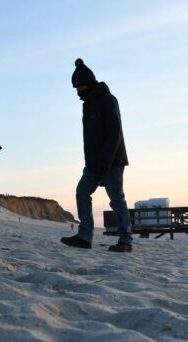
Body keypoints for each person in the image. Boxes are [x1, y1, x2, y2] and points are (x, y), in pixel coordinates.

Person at [61, 58, 133, 252]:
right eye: (75, 88)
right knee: (82, 192)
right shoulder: (87, 104)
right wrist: (92, 162)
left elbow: (115, 133)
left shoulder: (108, 100)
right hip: (93, 162)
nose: (78, 92)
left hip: (112, 161)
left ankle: (126, 240)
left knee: (117, 199)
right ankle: (85, 237)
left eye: (79, 86)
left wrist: (105, 162)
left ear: (89, 83)